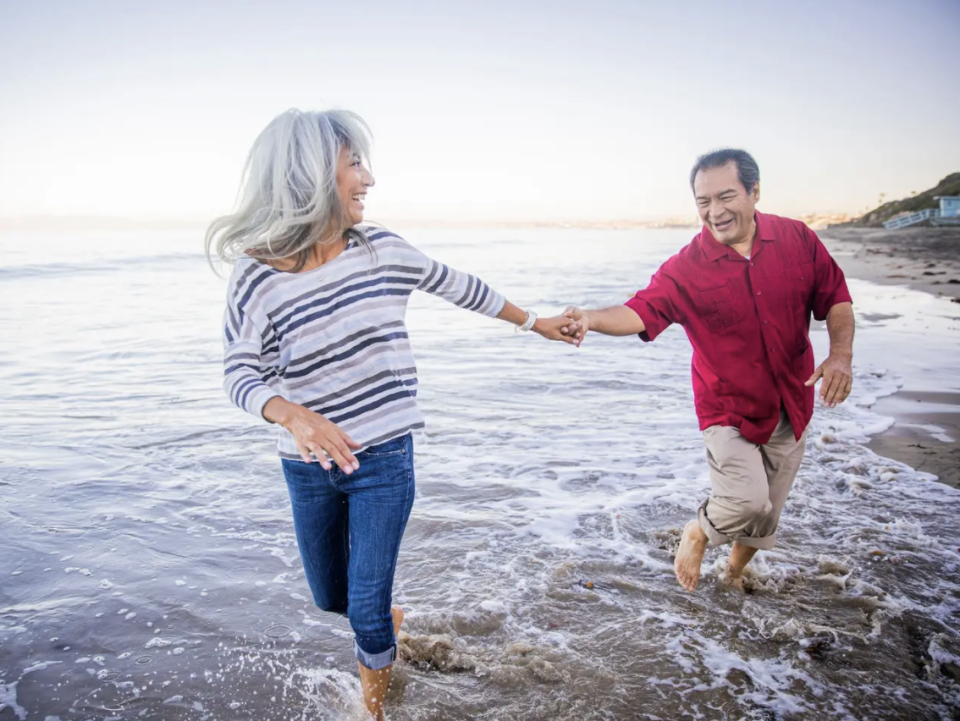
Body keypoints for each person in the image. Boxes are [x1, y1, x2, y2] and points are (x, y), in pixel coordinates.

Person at [205, 109, 574, 719]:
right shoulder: (256, 276)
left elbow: (461, 286)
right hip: (308, 465)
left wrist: (537, 323)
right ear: (310, 175)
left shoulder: (381, 250)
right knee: (331, 599)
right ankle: (383, 621)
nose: (368, 177)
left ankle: (372, 711)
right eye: (354, 164)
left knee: (367, 608)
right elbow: (238, 372)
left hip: (384, 458)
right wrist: (293, 415)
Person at [560, 148, 854, 592]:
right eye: (703, 201)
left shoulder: (797, 238)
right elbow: (640, 310)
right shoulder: (687, 267)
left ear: (754, 192)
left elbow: (835, 298)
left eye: (726, 196)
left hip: (792, 401)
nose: (714, 212)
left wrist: (840, 356)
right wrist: (591, 318)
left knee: (766, 512)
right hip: (727, 408)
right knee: (747, 500)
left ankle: (733, 573)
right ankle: (697, 530)